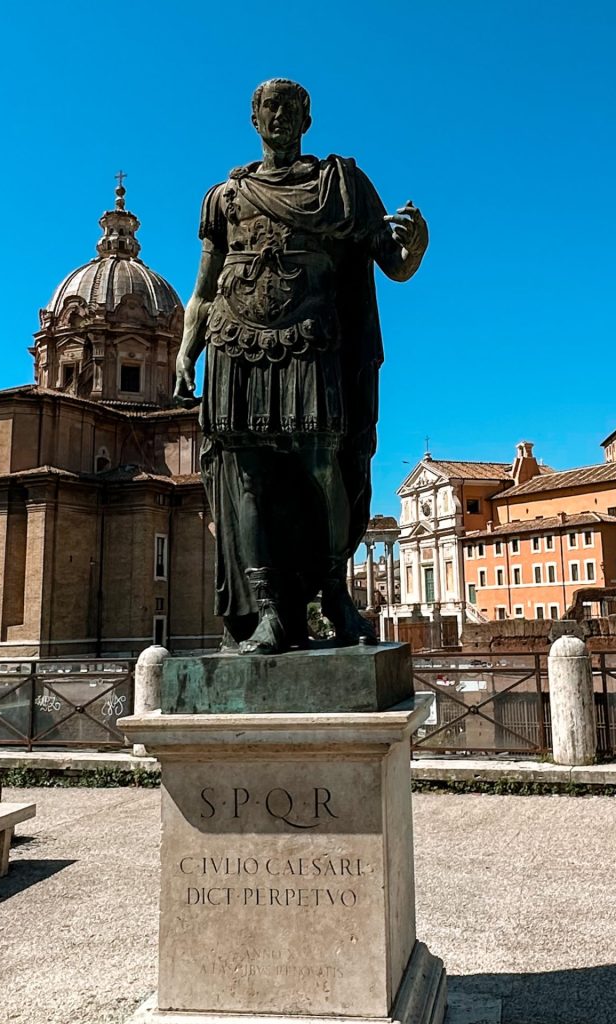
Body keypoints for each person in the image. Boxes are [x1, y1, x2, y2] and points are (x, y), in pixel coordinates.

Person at [174, 79, 428, 655]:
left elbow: (394, 264)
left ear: (307, 119)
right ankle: (268, 611)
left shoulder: (339, 186)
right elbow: (203, 289)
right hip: (235, 343)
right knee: (249, 478)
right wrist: (187, 351)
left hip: (311, 340)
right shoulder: (223, 198)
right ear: (254, 118)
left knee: (323, 467)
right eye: (270, 107)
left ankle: (334, 594)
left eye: (291, 108)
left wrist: (416, 245)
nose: (280, 116)